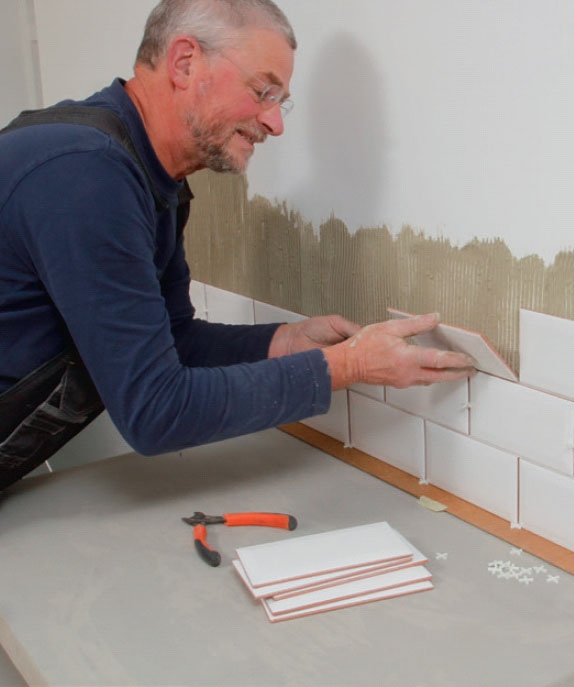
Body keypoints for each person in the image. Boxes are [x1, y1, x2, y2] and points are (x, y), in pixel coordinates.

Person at [0, 0, 475, 489]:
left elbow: (175, 340)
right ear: (185, 63)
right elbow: (156, 411)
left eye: (280, 101)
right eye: (262, 91)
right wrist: (348, 364)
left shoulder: (146, 177)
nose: (275, 123)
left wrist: (285, 342)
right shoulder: (85, 175)